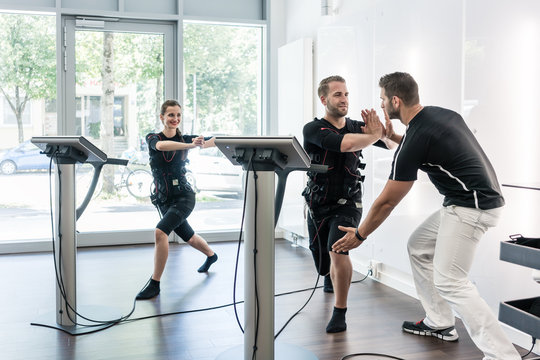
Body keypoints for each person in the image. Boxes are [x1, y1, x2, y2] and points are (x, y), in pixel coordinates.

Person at [332, 72, 520, 360]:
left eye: (383, 100)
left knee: (451, 281)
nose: (381, 106)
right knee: (419, 246)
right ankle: (440, 322)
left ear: (396, 101)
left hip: (472, 208)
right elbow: (415, 143)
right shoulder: (439, 116)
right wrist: (387, 135)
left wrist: (360, 235)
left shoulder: (416, 139)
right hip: (469, 201)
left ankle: (503, 355)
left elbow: (386, 203)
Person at [302, 75, 396, 333]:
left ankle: (340, 311)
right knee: (323, 265)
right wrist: (373, 135)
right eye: (337, 95)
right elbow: (343, 145)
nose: (344, 99)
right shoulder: (313, 129)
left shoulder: (357, 126)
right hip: (317, 202)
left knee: (338, 250)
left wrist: (386, 133)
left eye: (346, 94)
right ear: (324, 99)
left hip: (348, 203)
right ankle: (330, 278)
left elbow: (388, 144)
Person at [136, 99, 218, 300]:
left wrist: (205, 140)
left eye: (178, 115)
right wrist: (190, 144)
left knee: (160, 232)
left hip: (184, 196)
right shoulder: (153, 137)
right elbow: (163, 146)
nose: (175, 119)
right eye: (171, 115)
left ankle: (155, 284)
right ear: (162, 117)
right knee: (188, 237)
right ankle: (211, 256)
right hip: (163, 198)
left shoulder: (187, 138)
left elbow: (213, 141)